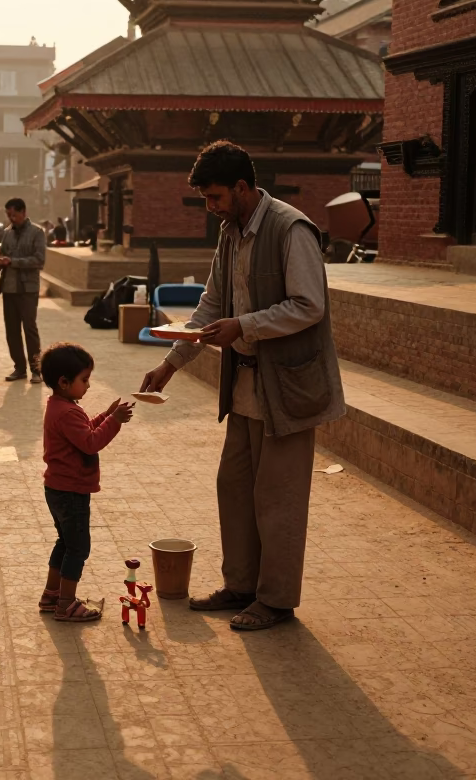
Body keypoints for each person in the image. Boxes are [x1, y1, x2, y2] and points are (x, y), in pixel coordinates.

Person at [139, 141, 345, 631]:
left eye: (216, 198)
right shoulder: (230, 233)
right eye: (206, 200)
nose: (211, 208)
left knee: (279, 499)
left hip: (288, 388)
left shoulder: (291, 228)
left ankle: (275, 600)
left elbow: (308, 305)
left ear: (242, 187)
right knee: (234, 489)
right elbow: (211, 307)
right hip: (246, 388)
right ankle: (241, 586)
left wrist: (244, 326)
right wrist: (171, 364)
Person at [38, 342, 134, 621]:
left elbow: (84, 431)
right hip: (70, 491)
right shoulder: (67, 411)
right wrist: (114, 422)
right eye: (85, 379)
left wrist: (105, 415)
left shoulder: (61, 406)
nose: (88, 386)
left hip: (57, 488)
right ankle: (66, 603)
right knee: (78, 547)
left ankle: (51, 595)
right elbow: (90, 443)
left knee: (65, 543)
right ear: (64, 382)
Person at [0, 197, 46, 383]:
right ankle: (19, 368)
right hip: (9, 288)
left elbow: (39, 260)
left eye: (14, 214)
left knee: (29, 328)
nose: (12, 218)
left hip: (28, 289)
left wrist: (14, 262)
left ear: (23, 212)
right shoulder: (6, 233)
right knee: (12, 330)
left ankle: (36, 369)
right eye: (9, 215)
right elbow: (4, 255)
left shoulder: (37, 232)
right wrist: (0, 261)